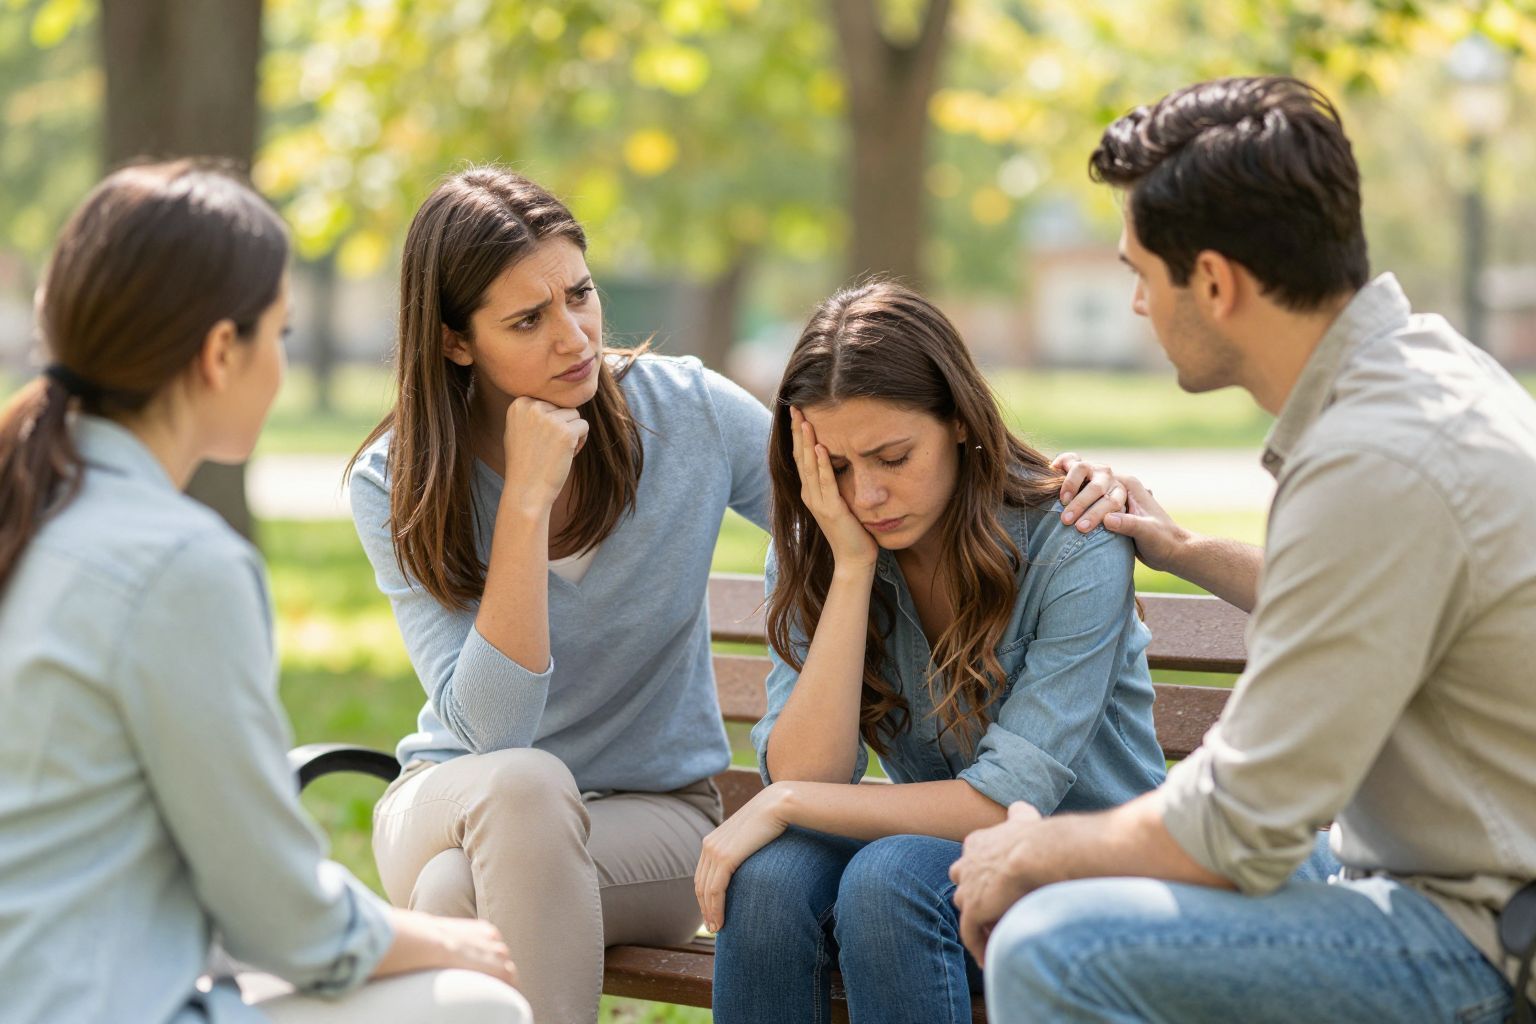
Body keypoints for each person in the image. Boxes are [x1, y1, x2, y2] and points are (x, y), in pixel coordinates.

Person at [951, 76, 1536, 1024]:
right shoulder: (1427, 378)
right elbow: (1372, 607)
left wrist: (1032, 852)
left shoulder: (1376, 458)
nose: (1137, 303)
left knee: (1056, 945)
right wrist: (1181, 546)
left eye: (1143, 274)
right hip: (1439, 876)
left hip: (1484, 940)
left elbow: (1238, 827)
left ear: (1216, 284)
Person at [0, 162, 530, 1023]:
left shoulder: (30, 514)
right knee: (479, 1002)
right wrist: (446, 942)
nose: (280, 360)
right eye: (279, 333)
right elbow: (280, 914)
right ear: (220, 352)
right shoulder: (179, 566)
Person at [698, 279, 1167, 1024]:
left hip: (1095, 873)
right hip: (938, 870)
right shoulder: (826, 542)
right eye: (838, 467)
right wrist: (851, 570)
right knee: (769, 880)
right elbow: (810, 774)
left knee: (889, 879)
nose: (867, 496)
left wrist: (783, 800)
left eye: (891, 457)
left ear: (957, 420)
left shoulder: (1075, 541)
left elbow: (1003, 802)